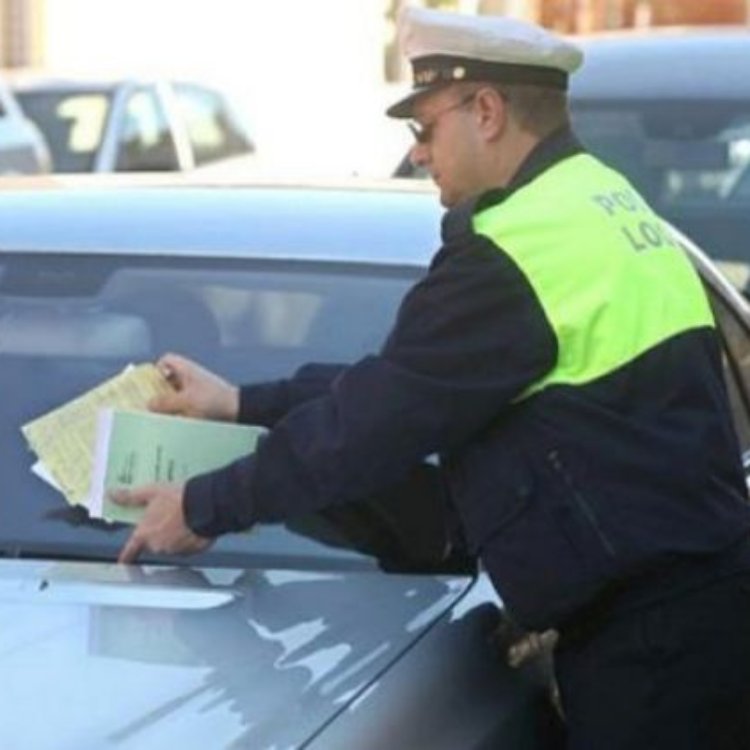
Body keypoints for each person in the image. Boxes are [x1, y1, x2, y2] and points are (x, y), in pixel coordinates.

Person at [113, 7, 750, 749]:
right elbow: (416, 382)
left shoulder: (516, 252)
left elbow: (378, 421)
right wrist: (242, 402)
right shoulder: (595, 200)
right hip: (695, 610)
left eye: (424, 127)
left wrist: (202, 504)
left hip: (652, 644)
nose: (417, 154)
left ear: (485, 111)